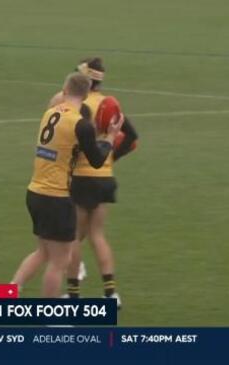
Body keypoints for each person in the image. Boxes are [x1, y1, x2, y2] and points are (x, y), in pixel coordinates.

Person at [11, 73, 124, 297]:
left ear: (64, 89)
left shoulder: (49, 113)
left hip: (35, 191)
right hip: (56, 196)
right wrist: (110, 137)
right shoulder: (81, 125)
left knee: (42, 252)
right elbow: (97, 159)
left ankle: (9, 291)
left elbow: (58, 100)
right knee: (59, 262)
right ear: (86, 94)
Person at [52, 57, 138, 308]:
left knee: (73, 238)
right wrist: (110, 157)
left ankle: (74, 294)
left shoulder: (74, 104)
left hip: (80, 178)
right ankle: (111, 294)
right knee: (97, 235)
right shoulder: (109, 103)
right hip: (104, 178)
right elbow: (132, 136)